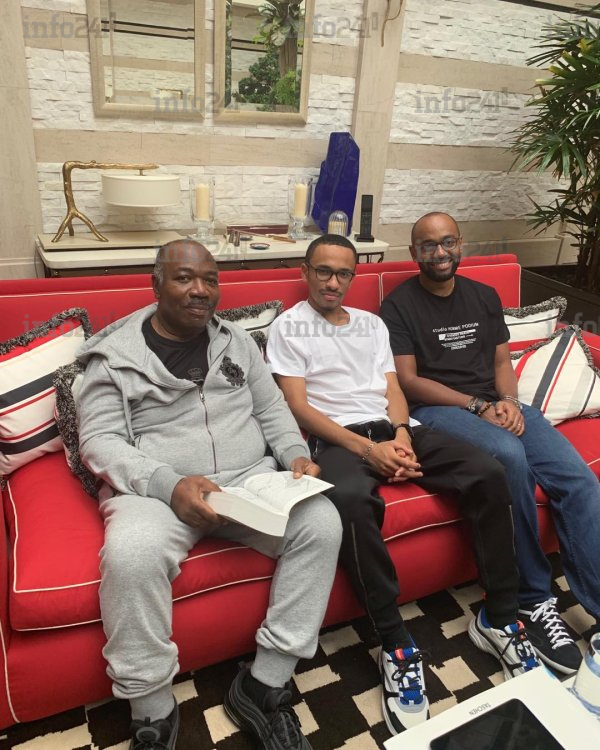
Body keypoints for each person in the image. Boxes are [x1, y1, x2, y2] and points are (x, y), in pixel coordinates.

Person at [266, 234, 541, 737]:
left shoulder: (371, 324)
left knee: (488, 471)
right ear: (305, 272)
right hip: (338, 440)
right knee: (350, 500)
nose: (333, 282)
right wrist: (366, 451)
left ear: (353, 277)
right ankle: (394, 642)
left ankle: (500, 617)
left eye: (343, 273)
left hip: (395, 430)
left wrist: (400, 437)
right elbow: (298, 407)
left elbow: (393, 389)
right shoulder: (288, 327)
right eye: (323, 271)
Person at [76, 239, 342, 750]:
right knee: (131, 553)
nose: (200, 290)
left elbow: (271, 409)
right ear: (157, 284)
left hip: (248, 480)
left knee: (322, 521)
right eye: (184, 278)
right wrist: (168, 484)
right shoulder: (113, 357)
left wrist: (293, 455)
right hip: (158, 490)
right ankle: (151, 710)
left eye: (210, 280)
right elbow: (100, 441)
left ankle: (264, 687)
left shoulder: (237, 341)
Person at [381, 211, 600, 676]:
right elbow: (408, 381)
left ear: (460, 244)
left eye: (448, 242)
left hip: (494, 403)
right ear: (414, 252)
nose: (440, 252)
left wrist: (509, 403)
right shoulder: (398, 305)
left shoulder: (483, 295)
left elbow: (502, 363)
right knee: (508, 454)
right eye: (428, 245)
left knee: (578, 480)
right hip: (437, 410)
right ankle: (532, 599)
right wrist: (478, 406)